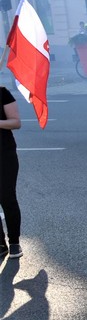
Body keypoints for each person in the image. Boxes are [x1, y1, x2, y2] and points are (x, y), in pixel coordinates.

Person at [0, 85, 24, 258]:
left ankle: (14, 242)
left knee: (7, 197)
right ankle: (0, 243)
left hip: (4, 155)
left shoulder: (2, 93)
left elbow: (16, 122)